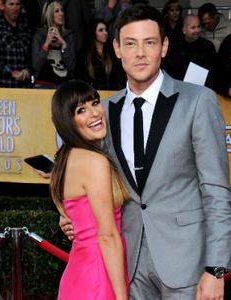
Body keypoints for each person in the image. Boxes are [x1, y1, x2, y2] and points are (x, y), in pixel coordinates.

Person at [61, 4, 231, 299]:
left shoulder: (197, 101)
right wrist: (69, 215)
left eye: (149, 42)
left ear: (164, 47)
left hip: (187, 264)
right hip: (127, 266)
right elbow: (86, 173)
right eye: (130, 43)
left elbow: (216, 188)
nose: (140, 53)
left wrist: (216, 268)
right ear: (117, 49)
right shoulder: (105, 111)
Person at [50, 79, 129, 300]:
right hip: (99, 276)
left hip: (78, 273)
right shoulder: (94, 161)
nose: (95, 113)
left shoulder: (67, 159)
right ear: (68, 121)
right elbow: (107, 236)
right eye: (81, 110)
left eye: (95, 103)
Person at [0, 0, 32, 88]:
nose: (15, 8)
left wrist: (28, 69)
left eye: (18, 4)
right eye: (11, 4)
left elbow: (30, 55)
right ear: (3, 6)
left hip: (23, 88)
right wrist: (10, 71)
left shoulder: (25, 27)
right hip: (0, 87)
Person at [32, 0, 76, 87]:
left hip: (64, 85)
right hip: (43, 84)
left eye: (62, 10)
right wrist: (46, 43)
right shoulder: (39, 35)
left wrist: (63, 45)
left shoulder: (69, 36)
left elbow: (71, 66)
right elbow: (36, 66)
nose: (61, 14)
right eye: (57, 11)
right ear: (49, 14)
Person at [163, 14, 216, 84]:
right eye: (193, 28)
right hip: (178, 87)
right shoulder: (174, 46)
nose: (197, 30)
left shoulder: (207, 46)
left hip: (202, 88)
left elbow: (214, 70)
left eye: (198, 27)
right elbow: (167, 71)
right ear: (184, 30)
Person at [76, 18, 125, 90]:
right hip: (92, 95)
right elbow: (80, 78)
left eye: (106, 30)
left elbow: (119, 75)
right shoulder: (84, 54)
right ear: (93, 33)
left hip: (112, 94)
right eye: (100, 30)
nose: (105, 32)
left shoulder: (112, 52)